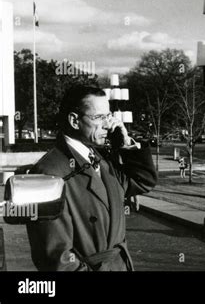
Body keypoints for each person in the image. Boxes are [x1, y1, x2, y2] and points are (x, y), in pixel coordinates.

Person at [26, 86, 158, 271]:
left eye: (109, 116)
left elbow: (143, 181)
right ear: (74, 120)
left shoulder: (100, 158)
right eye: (98, 117)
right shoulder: (46, 173)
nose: (108, 124)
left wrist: (126, 143)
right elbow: (56, 259)